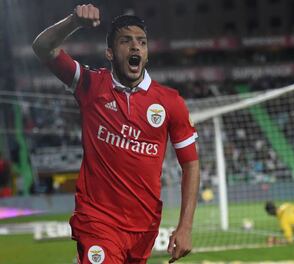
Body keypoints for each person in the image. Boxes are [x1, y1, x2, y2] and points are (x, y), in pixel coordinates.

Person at [32, 4, 200, 264]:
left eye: (141, 42)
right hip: (98, 219)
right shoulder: (90, 85)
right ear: (110, 52)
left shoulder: (170, 102)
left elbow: (190, 164)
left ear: (147, 53)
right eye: (126, 41)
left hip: (143, 228)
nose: (135, 47)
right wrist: (74, 21)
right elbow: (42, 47)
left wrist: (185, 226)